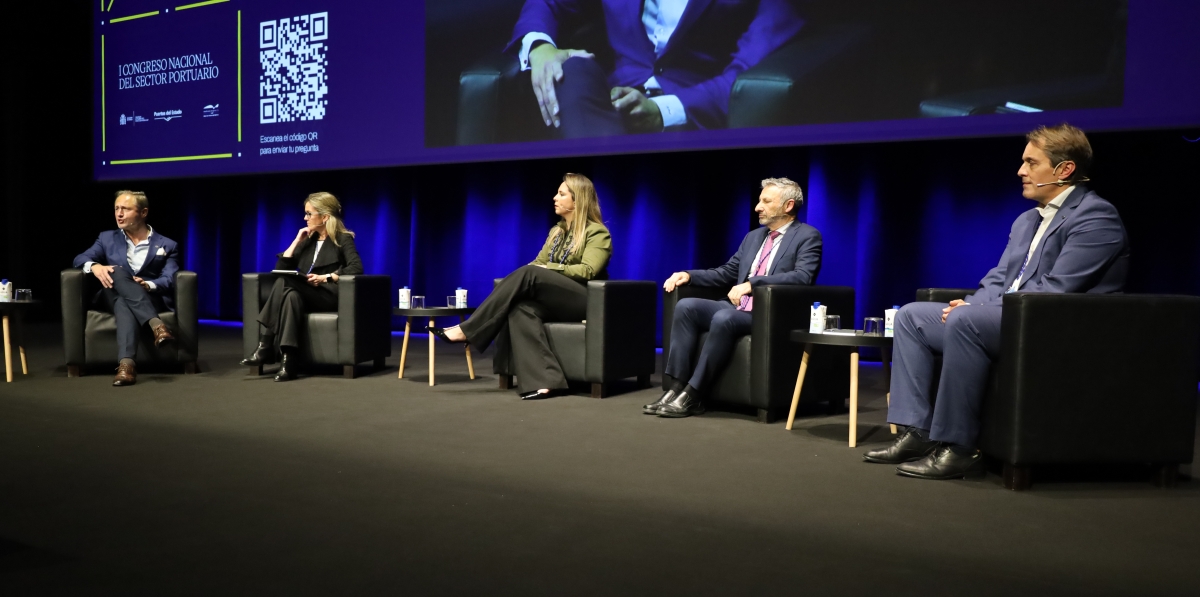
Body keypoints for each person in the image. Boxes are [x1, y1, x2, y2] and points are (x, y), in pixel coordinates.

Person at [865, 123, 1130, 480]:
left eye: (1031, 163)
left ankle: (959, 448)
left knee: (966, 321)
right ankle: (918, 433)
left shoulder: (1096, 218)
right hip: (1010, 319)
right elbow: (1000, 279)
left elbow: (1056, 290)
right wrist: (974, 303)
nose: (1021, 171)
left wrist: (977, 312)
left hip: (1060, 329)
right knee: (913, 317)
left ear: (1064, 169)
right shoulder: (1026, 221)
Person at [649, 177, 822, 418]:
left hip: (768, 314)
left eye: (765, 201)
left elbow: (802, 277)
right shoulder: (754, 237)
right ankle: (676, 386)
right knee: (686, 306)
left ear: (788, 205)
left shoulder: (807, 236)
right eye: (759, 201)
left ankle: (695, 394)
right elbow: (727, 272)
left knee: (724, 318)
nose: (757, 207)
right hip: (737, 308)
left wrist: (752, 284)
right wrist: (689, 275)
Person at [429, 173, 612, 399]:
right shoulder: (557, 232)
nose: (555, 198)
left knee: (530, 273)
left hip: (584, 300)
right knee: (521, 307)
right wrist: (539, 270)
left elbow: (587, 271)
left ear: (578, 201)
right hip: (556, 299)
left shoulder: (597, 232)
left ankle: (469, 330)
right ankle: (546, 381)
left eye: (562, 194)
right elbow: (537, 263)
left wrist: (549, 269)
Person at [510, 0, 803, 137]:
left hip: (691, 114)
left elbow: (747, 75)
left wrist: (662, 112)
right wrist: (540, 47)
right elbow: (548, 4)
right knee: (569, 71)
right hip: (609, 101)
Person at [241, 192, 363, 381]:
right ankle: (288, 362)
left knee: (284, 282)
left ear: (325, 217)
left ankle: (265, 344)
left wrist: (326, 278)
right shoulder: (308, 240)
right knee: (289, 295)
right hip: (305, 294)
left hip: (328, 295)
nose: (305, 218)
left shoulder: (343, 238)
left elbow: (356, 267)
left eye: (309, 214)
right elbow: (281, 268)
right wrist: (297, 240)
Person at [72, 191, 181, 387]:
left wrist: (148, 284)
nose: (119, 214)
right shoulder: (106, 238)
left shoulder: (167, 245)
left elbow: (169, 278)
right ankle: (157, 326)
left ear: (143, 212)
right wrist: (95, 266)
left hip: (147, 296)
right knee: (118, 271)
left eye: (125, 209)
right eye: (116, 209)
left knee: (125, 302)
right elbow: (79, 259)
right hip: (110, 294)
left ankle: (126, 366)